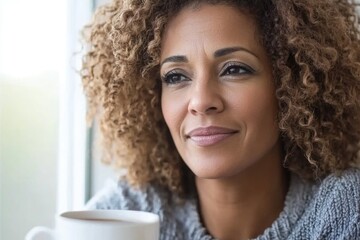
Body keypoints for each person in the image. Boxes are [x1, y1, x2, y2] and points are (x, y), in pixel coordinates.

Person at [81, 0, 360, 239]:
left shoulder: (346, 213)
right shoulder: (128, 213)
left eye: (234, 69)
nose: (201, 101)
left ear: (294, 84)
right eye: (176, 76)